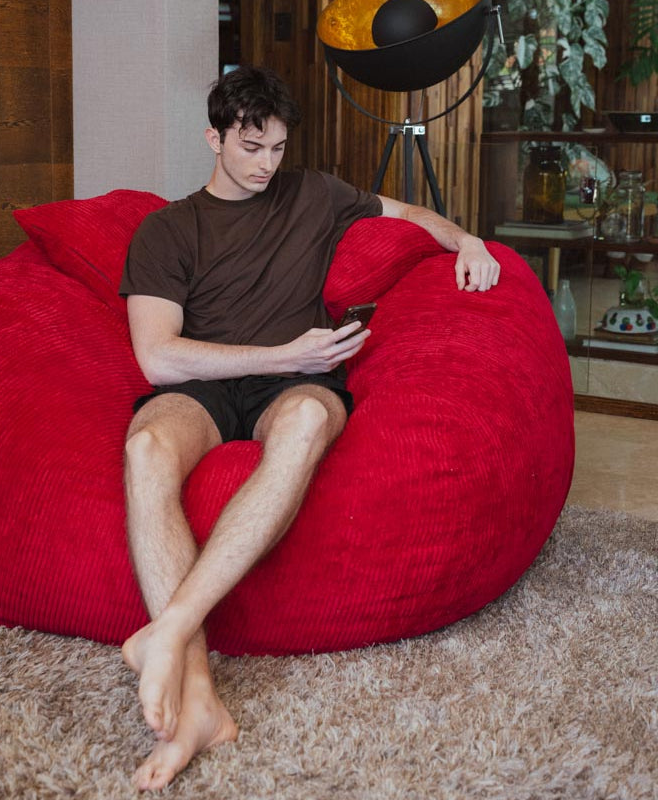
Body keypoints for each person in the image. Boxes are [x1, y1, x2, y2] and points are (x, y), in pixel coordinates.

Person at [118, 64, 500, 791]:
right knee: (144, 446)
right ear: (214, 137)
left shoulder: (317, 193)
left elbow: (411, 215)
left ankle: (166, 633)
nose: (266, 164)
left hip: (298, 380)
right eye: (251, 146)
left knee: (302, 423)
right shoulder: (168, 229)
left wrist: (470, 243)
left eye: (277, 148)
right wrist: (280, 350)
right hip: (208, 382)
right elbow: (157, 358)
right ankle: (198, 700)